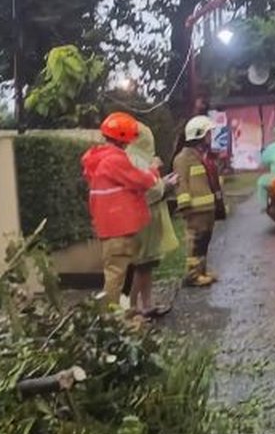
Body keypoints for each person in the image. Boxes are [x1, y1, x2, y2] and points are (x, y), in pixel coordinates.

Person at [82, 112, 162, 306]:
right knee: (116, 276)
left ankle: (120, 311)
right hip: (120, 228)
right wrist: (154, 169)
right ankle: (113, 316)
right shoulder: (115, 160)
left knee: (116, 273)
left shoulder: (97, 159)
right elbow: (144, 180)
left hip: (108, 228)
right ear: (124, 139)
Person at [123, 121, 180, 317]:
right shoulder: (136, 160)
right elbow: (149, 190)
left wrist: (162, 183)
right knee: (142, 265)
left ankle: (146, 304)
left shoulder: (135, 157)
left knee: (147, 265)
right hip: (143, 220)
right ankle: (132, 307)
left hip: (146, 218)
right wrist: (167, 185)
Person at [173, 115, 224, 287]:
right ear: (199, 134)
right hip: (195, 210)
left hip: (207, 208)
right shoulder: (183, 158)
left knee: (204, 242)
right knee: (195, 243)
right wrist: (185, 206)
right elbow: (181, 184)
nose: (210, 137)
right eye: (208, 133)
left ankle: (202, 271)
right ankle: (192, 275)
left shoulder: (201, 157)